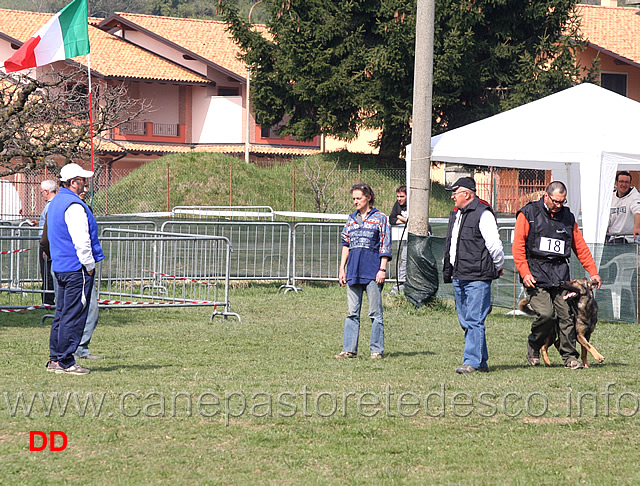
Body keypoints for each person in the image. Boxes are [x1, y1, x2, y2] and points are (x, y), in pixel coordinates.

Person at [513, 181, 602, 370]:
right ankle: (534, 344)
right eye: (555, 201)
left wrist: (593, 272)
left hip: (560, 274)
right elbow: (518, 246)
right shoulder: (528, 214)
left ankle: (570, 357)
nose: (559, 205)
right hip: (536, 273)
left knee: (567, 316)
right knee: (546, 315)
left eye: (562, 202)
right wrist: (525, 272)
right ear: (546, 196)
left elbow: (580, 247)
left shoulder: (568, 217)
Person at [46, 163, 104, 375]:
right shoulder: (74, 205)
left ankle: (55, 358)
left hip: (61, 266)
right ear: (73, 182)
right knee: (74, 314)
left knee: (61, 314)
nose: (86, 184)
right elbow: (82, 240)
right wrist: (88, 265)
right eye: (83, 180)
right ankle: (66, 361)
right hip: (75, 268)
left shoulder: (56, 202)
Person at [443, 177, 504, 374]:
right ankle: (481, 361)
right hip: (459, 275)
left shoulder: (483, 214)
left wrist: (497, 265)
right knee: (466, 321)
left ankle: (471, 361)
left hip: (477, 276)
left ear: (467, 194)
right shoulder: (457, 214)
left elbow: (495, 245)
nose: (452, 196)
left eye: (455, 192)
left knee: (474, 319)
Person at [335, 183, 392, 359]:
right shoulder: (351, 219)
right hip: (353, 272)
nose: (355, 202)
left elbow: (385, 244)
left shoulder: (380, 218)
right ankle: (349, 349)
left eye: (358, 198)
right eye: (353, 199)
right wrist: (341, 269)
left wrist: (382, 269)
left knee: (375, 313)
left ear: (368, 198)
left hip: (373, 273)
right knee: (352, 313)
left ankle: (376, 350)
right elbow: (346, 244)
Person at [607, 171, 640, 244]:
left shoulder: (635, 196)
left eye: (627, 182)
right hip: (612, 237)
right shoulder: (611, 198)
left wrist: (637, 227)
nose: (624, 184)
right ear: (616, 183)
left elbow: (638, 211)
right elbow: (607, 218)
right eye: (621, 181)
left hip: (628, 240)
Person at [38, 180, 57, 305]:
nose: (41, 195)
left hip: (47, 243)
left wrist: (46, 247)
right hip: (48, 242)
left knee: (47, 273)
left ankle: (48, 301)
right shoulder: (54, 204)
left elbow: (51, 226)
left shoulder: (51, 205)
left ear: (46, 192)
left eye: (41, 193)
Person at [388, 185, 408, 295]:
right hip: (406, 238)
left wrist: (401, 218)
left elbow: (414, 220)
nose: (399, 199)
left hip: (418, 237)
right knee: (404, 260)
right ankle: (399, 287)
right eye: (397, 196)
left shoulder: (414, 204)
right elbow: (392, 219)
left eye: (402, 196)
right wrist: (405, 220)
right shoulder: (397, 204)